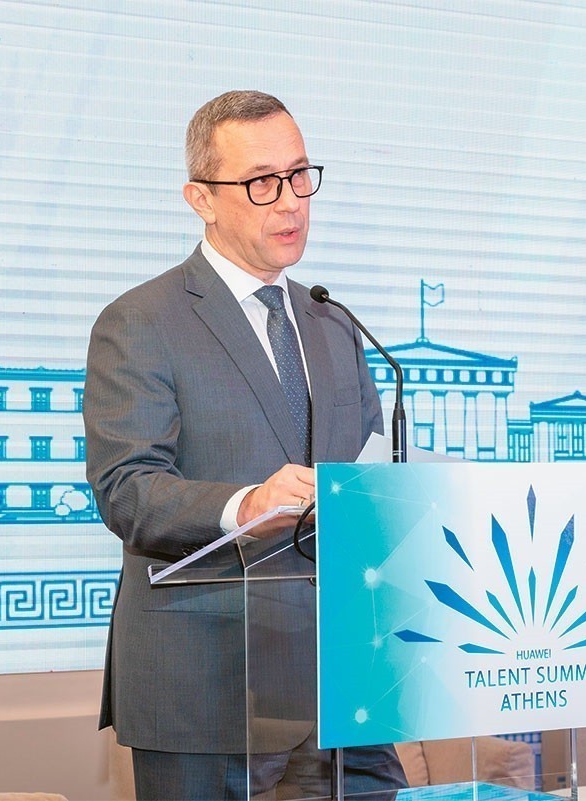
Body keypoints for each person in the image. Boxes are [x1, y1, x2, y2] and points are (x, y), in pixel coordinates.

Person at [83, 90, 407, 800]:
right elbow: (127, 489)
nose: (290, 202)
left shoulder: (332, 322)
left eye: (299, 176)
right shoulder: (141, 322)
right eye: (262, 182)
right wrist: (247, 505)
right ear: (200, 198)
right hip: (207, 682)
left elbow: (360, 474)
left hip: (338, 681)